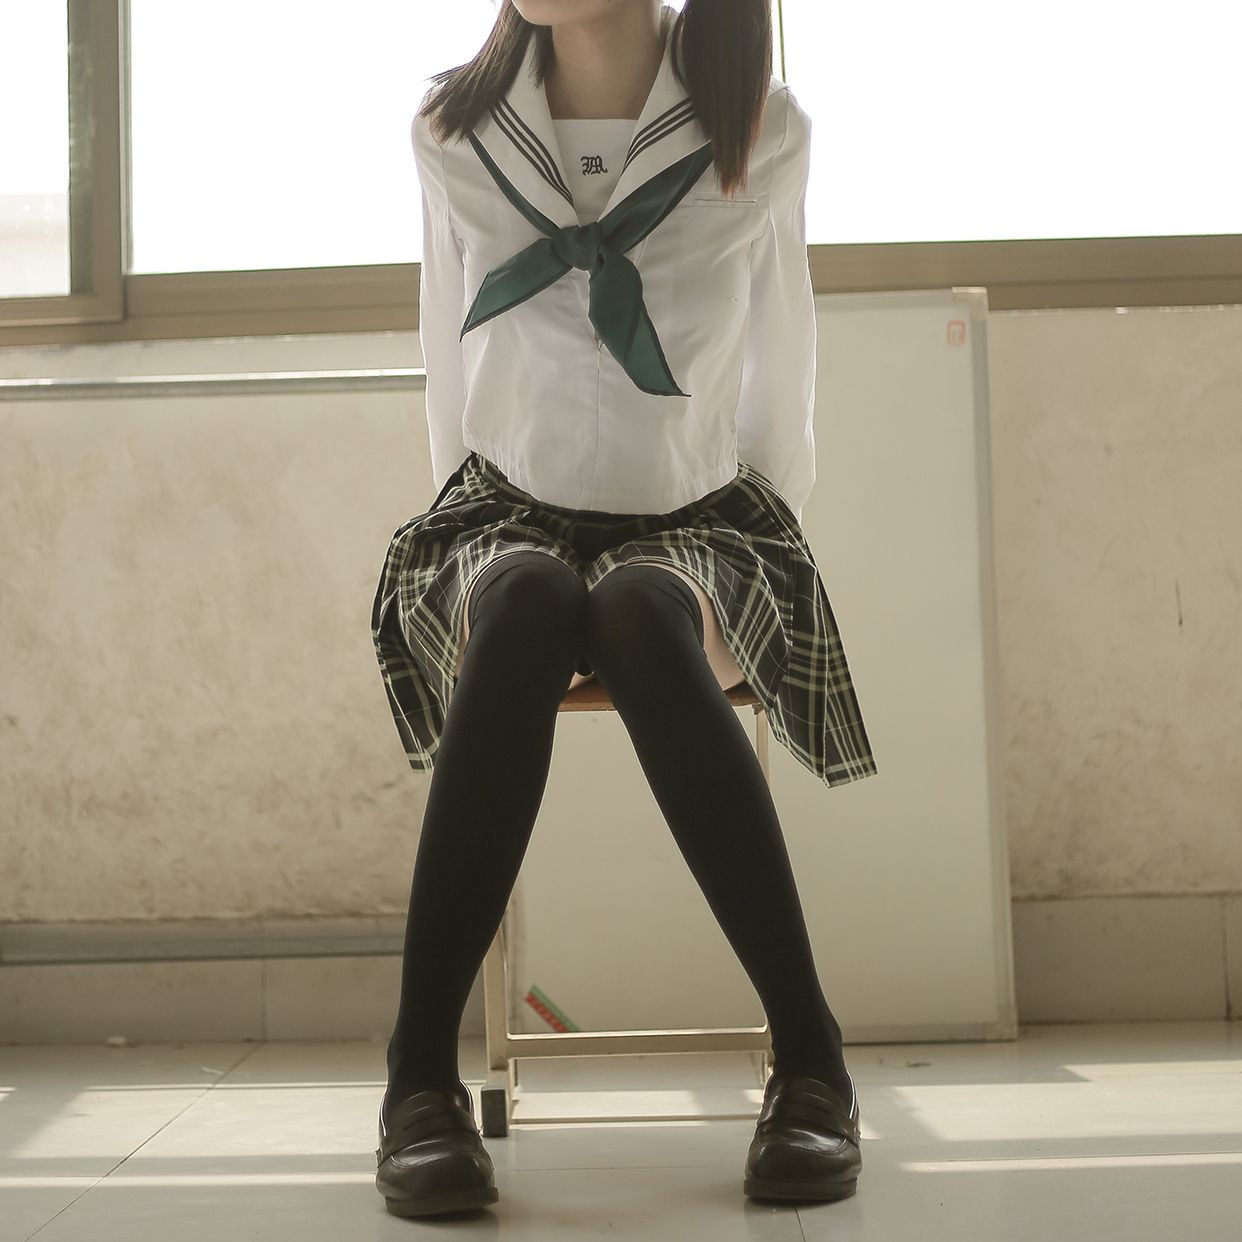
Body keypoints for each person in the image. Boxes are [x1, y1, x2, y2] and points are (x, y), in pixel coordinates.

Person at [371, 0, 877, 1217]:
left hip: (698, 516)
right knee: (529, 598)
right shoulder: (454, 132)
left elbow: (783, 369)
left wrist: (752, 556)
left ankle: (812, 1062)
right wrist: (475, 543)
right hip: (506, 512)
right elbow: (449, 370)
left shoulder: (760, 128)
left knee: (644, 614)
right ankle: (418, 1083)